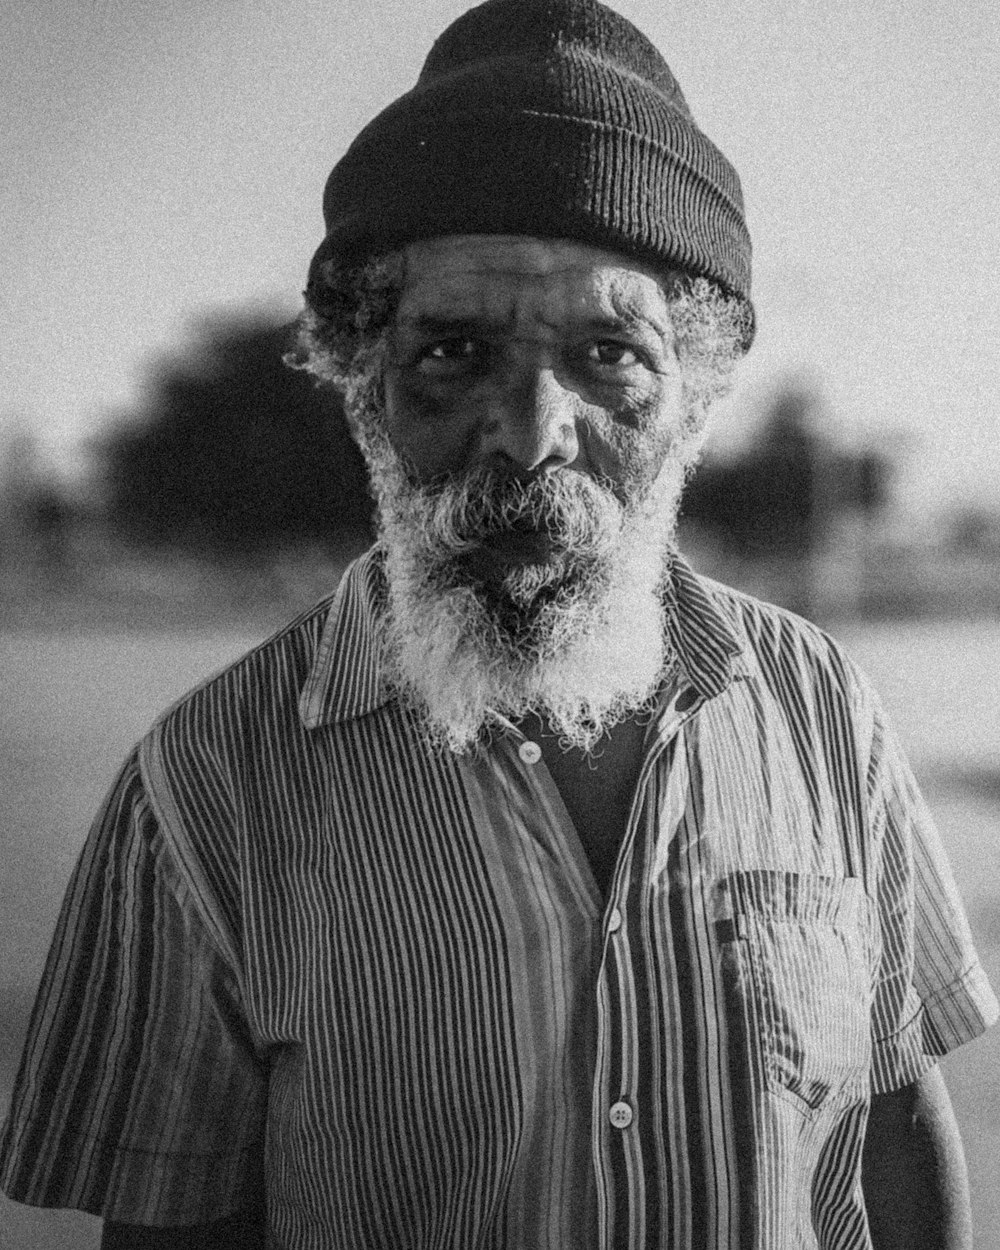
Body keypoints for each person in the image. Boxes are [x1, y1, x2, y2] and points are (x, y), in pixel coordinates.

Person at [1, 2, 996, 1247]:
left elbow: (893, 1122)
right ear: (364, 384)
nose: (531, 432)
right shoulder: (205, 789)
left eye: (606, 352)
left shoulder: (819, 705)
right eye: (454, 351)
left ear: (692, 391)